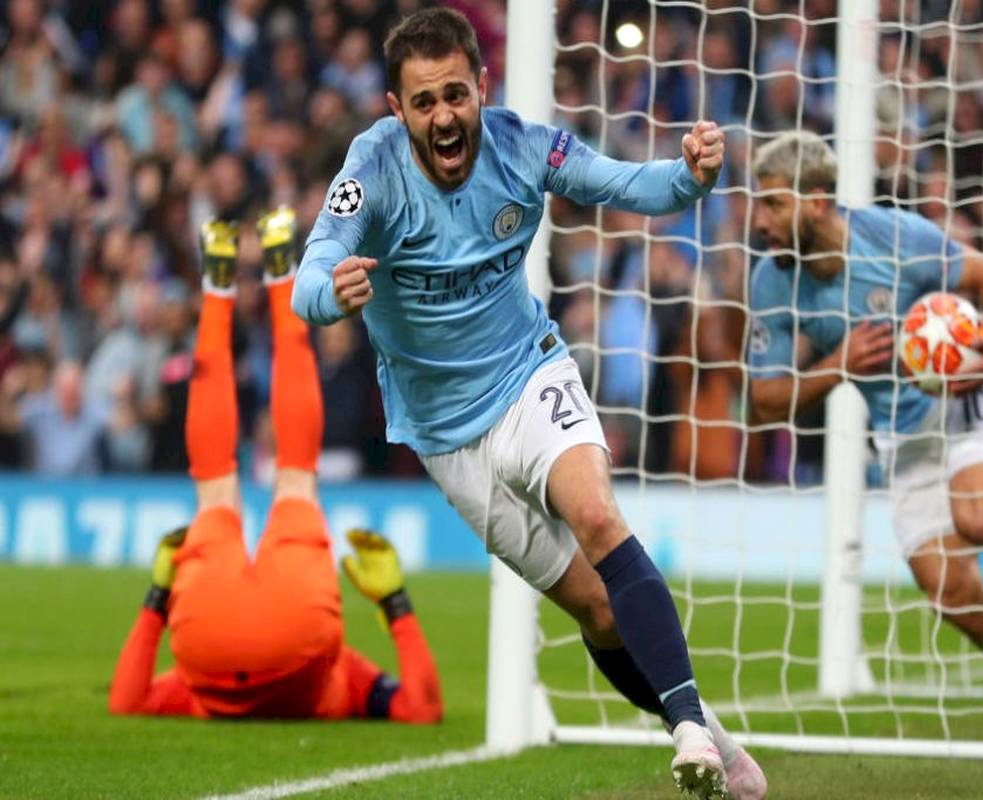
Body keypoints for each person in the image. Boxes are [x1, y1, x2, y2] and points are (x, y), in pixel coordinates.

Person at [291, 8, 764, 799]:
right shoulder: (371, 170)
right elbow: (311, 271)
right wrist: (329, 296)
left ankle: (686, 729)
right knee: (599, 614)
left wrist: (689, 177)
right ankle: (710, 734)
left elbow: (624, 183)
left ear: (482, 86)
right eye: (423, 102)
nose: (444, 117)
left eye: (455, 94)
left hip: (528, 376)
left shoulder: (522, 145)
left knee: (600, 517)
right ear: (397, 109)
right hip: (447, 438)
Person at [746, 130, 983, 744]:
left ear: (816, 202)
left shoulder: (893, 237)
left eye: (773, 204)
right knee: (952, 594)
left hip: (961, 395)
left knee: (977, 514)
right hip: (902, 434)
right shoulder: (769, 281)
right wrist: (837, 364)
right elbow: (763, 401)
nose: (759, 221)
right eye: (758, 204)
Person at [109, 208, 442, 724]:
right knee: (224, 486)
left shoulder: (204, 683)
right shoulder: (335, 678)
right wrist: (395, 606)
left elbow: (122, 703)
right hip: (238, 636)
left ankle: (246, 282)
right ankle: (247, 284)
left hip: (222, 636)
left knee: (283, 478)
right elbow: (424, 710)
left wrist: (394, 602)